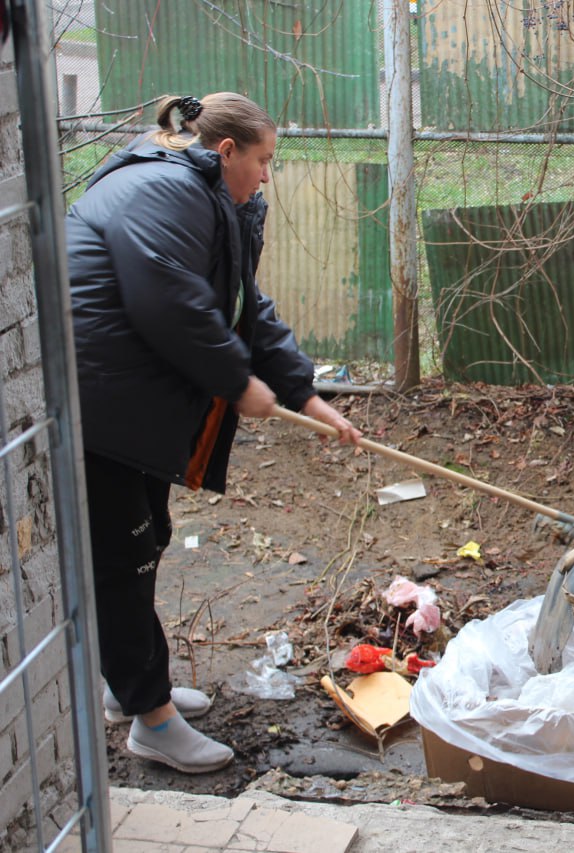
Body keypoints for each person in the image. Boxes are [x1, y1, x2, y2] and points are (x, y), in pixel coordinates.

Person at [66, 93, 362, 772]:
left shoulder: (200, 197)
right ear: (225, 151)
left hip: (122, 398)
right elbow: (170, 299)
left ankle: (129, 687)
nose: (267, 176)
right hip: (92, 400)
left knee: (148, 537)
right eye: (261, 159)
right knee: (125, 555)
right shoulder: (164, 192)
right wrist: (236, 382)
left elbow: (242, 303)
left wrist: (303, 393)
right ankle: (151, 719)